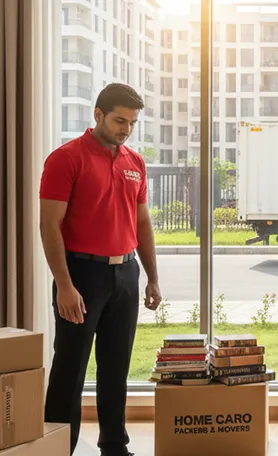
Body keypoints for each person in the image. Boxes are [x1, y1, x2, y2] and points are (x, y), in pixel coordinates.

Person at [39, 83, 162, 456]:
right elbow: (49, 226)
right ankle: (58, 449)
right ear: (98, 115)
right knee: (69, 371)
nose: (125, 129)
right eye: (119, 120)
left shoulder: (134, 163)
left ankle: (114, 446)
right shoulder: (65, 159)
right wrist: (64, 284)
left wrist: (152, 276)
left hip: (125, 275)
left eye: (132, 123)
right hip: (80, 275)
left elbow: (142, 224)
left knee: (116, 368)